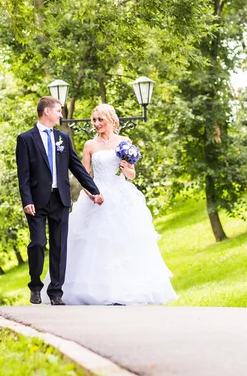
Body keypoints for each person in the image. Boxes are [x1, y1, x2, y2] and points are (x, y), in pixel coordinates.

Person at [62, 104, 177, 305]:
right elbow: (83, 176)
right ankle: (96, 291)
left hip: (121, 195)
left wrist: (125, 168)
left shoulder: (124, 142)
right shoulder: (90, 145)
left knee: (126, 241)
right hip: (97, 195)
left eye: (100, 119)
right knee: (95, 242)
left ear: (110, 120)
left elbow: (132, 175)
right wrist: (93, 195)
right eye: (94, 120)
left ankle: (126, 290)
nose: (96, 124)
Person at [16, 96, 103, 306]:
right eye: (58, 111)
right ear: (47, 111)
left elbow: (76, 167)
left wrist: (94, 190)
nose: (61, 115)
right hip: (36, 201)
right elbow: (24, 174)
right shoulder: (25, 139)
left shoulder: (63, 138)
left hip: (61, 199)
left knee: (59, 246)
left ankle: (56, 292)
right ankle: (35, 286)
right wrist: (26, 199)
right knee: (38, 243)